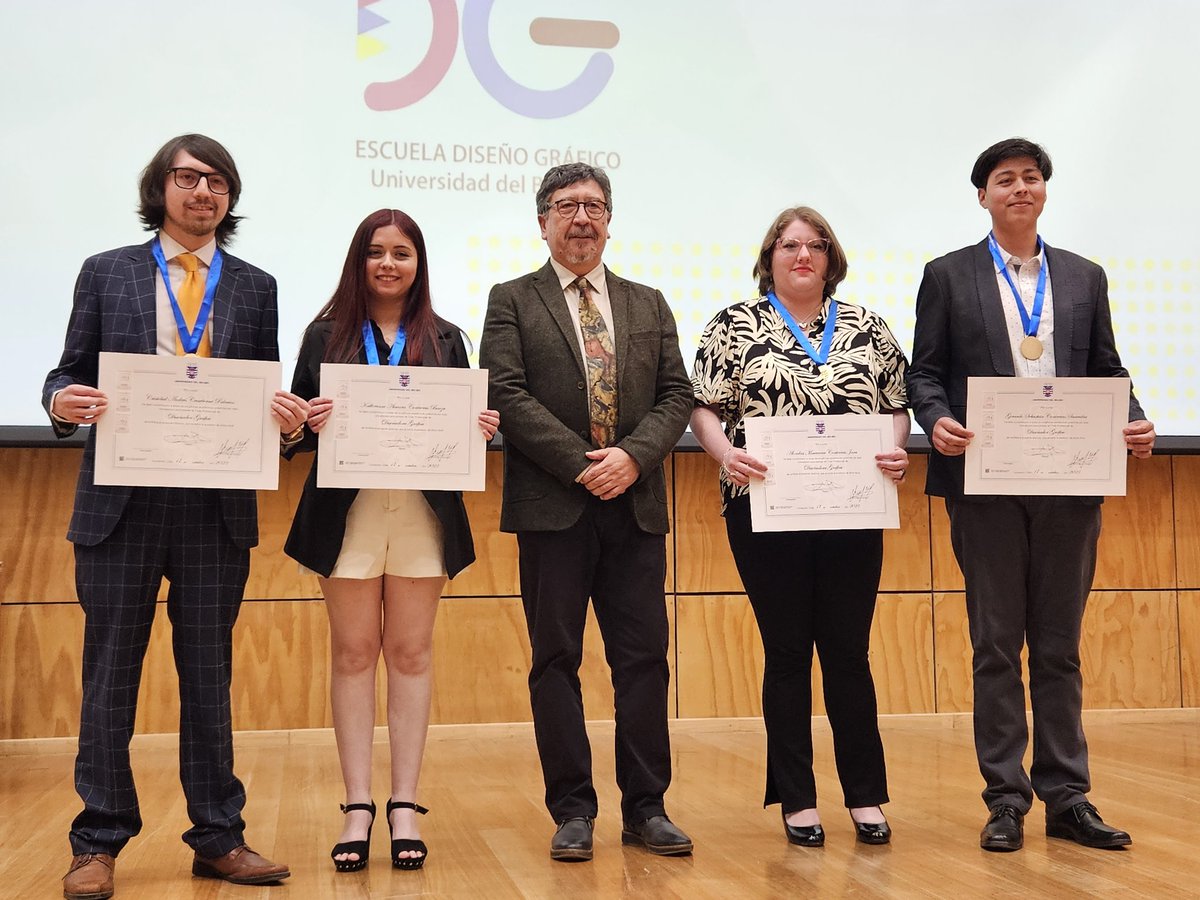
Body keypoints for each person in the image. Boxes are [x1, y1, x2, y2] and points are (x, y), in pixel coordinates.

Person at [44, 134, 307, 900]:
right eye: (189, 178)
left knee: (209, 679)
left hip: (213, 512)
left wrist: (287, 425)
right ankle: (97, 841)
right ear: (160, 187)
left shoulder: (255, 286)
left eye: (218, 181)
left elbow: (265, 394)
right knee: (109, 681)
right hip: (120, 507)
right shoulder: (109, 272)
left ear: (230, 198)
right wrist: (61, 402)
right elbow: (68, 369)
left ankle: (218, 836)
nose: (204, 192)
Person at [906, 138, 1156, 852]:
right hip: (984, 485)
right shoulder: (948, 276)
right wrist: (936, 420)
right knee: (994, 645)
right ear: (982, 196)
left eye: (1031, 177)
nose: (1020, 187)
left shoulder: (1084, 276)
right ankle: (1005, 799)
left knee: (1058, 647)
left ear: (1044, 191)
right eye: (1004, 179)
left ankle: (1067, 796)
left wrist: (1133, 418)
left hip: (1070, 484)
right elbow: (925, 374)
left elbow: (1107, 369)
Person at [479, 163, 694, 861]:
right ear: (542, 221)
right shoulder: (511, 299)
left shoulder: (649, 302)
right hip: (554, 507)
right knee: (555, 662)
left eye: (594, 206)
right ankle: (572, 810)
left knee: (643, 662)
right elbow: (507, 394)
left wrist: (631, 458)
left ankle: (647, 807)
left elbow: (675, 396)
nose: (581, 218)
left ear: (609, 219)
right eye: (567, 206)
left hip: (635, 506)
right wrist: (581, 462)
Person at [282, 209, 499, 872]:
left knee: (410, 654)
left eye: (401, 253)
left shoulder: (450, 338)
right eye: (376, 252)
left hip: (421, 518)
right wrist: (303, 421)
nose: (388, 264)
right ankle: (356, 805)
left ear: (418, 264)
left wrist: (482, 428)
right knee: (352, 656)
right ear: (359, 261)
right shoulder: (324, 336)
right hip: (345, 518)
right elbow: (292, 437)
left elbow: (464, 437)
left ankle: (405, 803)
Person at [690, 206, 909, 847]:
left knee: (849, 654)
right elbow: (703, 407)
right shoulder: (732, 325)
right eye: (789, 246)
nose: (802, 255)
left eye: (815, 246)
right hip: (765, 513)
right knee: (787, 654)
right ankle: (797, 800)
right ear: (771, 256)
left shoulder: (869, 327)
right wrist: (724, 454)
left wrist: (896, 448)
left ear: (831, 258)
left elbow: (895, 408)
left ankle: (865, 797)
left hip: (852, 513)